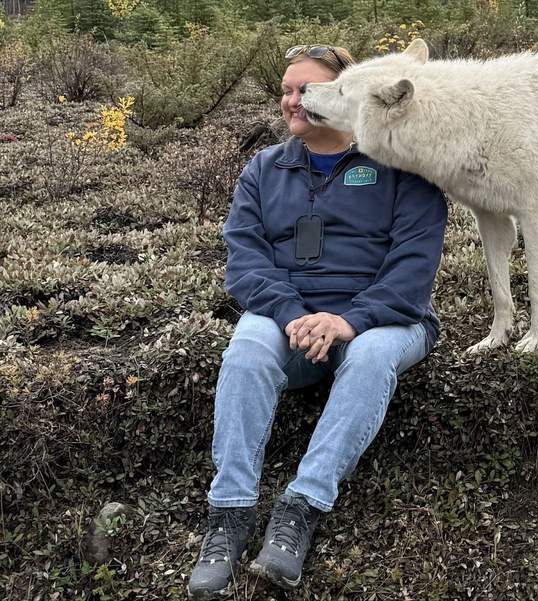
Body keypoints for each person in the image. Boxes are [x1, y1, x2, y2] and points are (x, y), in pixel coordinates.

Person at [187, 44, 448, 598]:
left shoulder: (404, 167)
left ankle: (300, 507)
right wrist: (293, 315)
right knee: (248, 346)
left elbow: (412, 270)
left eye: (305, 89)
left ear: (343, 96)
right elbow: (245, 260)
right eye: (285, 89)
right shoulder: (264, 168)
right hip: (290, 321)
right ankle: (229, 514)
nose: (291, 100)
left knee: (374, 355)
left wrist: (348, 320)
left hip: (382, 322)